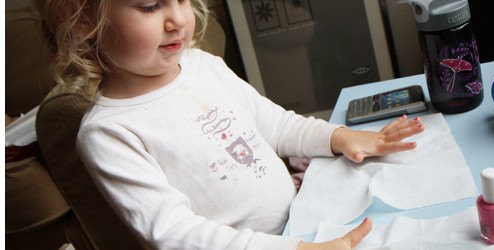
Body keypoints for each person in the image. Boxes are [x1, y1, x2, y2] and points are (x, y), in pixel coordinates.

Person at [33, 0, 426, 249]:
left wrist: (339, 135)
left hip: (304, 218)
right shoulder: (108, 132)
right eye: (151, 6)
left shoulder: (204, 65)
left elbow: (274, 124)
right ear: (84, 17)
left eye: (183, 0)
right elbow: (174, 234)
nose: (177, 19)